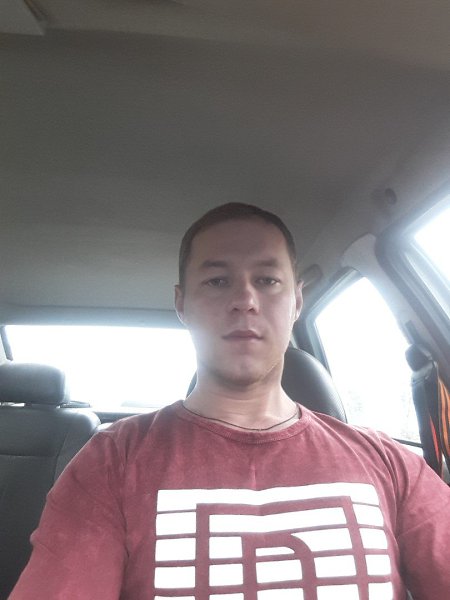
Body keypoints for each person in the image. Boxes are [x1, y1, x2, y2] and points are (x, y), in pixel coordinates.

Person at [9, 203, 450, 599]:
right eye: (218, 281)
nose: (244, 300)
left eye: (267, 280)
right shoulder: (110, 462)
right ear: (182, 304)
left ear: (297, 301)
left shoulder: (390, 464)